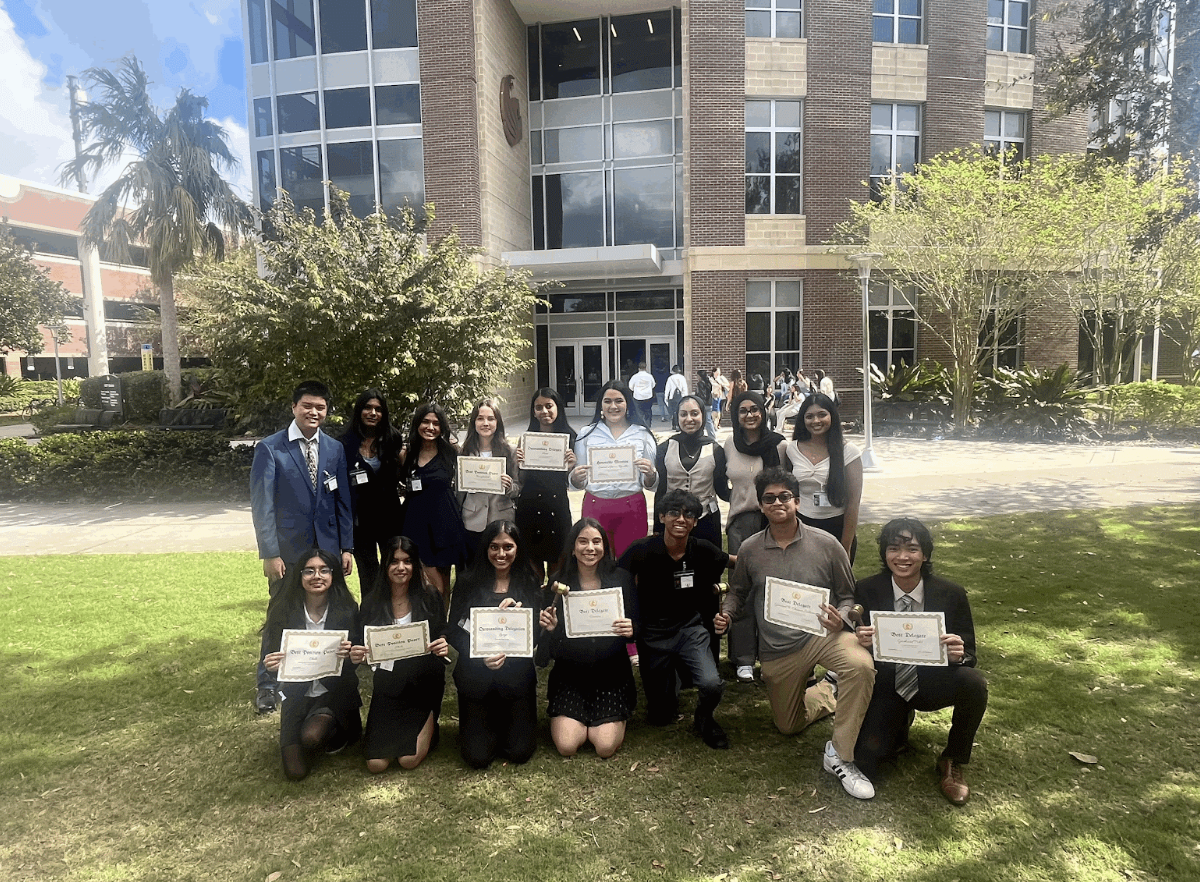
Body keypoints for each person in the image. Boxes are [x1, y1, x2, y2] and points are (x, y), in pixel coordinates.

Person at [716, 468, 877, 800]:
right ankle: (830, 691)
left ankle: (842, 756)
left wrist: (843, 618)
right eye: (769, 498)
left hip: (823, 635)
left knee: (860, 666)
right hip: (778, 650)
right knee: (788, 725)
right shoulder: (749, 549)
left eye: (784, 496)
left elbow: (849, 595)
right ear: (761, 505)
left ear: (797, 501)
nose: (777, 502)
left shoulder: (827, 544)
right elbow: (738, 592)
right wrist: (728, 614)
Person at [852, 518, 988, 804]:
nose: (902, 557)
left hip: (932, 680)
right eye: (894, 548)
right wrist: (860, 641)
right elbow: (852, 644)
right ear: (884, 554)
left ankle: (953, 760)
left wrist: (959, 654)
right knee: (868, 762)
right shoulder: (866, 590)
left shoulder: (951, 594)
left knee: (973, 683)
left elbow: (970, 651)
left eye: (912, 549)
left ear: (925, 554)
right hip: (888, 684)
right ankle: (898, 724)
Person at [250, 380, 354, 714]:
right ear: (294, 407)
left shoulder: (334, 449)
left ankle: (323, 669)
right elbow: (262, 504)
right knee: (280, 612)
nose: (314, 412)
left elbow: (342, 502)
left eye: (320, 407)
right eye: (307, 406)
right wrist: (269, 552)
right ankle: (267, 684)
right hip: (288, 552)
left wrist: (346, 547)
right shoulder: (270, 448)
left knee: (331, 610)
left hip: (326, 551)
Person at [619, 489, 734, 750]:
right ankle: (671, 680)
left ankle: (705, 718)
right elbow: (615, 576)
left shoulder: (702, 549)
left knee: (711, 684)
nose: (681, 519)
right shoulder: (642, 550)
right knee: (660, 716)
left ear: (695, 521)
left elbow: (737, 562)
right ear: (661, 517)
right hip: (652, 632)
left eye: (689, 514)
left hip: (689, 629)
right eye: (673, 513)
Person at [446, 520, 546, 769]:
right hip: (475, 677)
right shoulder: (468, 581)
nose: (501, 554)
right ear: (485, 548)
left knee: (519, 752)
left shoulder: (529, 583)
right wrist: (479, 655)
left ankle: (506, 722)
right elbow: (453, 630)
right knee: (477, 757)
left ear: (518, 549)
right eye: (494, 547)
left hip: (516, 678)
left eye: (508, 547)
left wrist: (526, 624)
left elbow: (533, 637)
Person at [539, 518, 638, 759]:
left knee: (604, 747)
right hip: (570, 675)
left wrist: (632, 629)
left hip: (611, 675)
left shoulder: (621, 579)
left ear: (605, 546)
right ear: (572, 548)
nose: (590, 548)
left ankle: (612, 717)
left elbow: (640, 622)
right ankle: (580, 720)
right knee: (567, 746)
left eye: (596, 541)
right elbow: (544, 653)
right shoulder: (557, 584)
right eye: (582, 542)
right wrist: (549, 630)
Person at [350, 536, 449, 773]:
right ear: (385, 565)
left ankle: (430, 726)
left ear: (415, 565)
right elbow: (360, 644)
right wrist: (358, 654)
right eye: (394, 562)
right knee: (375, 764)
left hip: (423, 685)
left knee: (408, 760)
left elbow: (441, 633)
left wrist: (443, 643)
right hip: (388, 687)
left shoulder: (429, 597)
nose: (401, 568)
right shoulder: (372, 603)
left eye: (407, 561)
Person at [261, 548, 361, 780]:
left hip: (333, 693)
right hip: (296, 695)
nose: (317, 576)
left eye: (324, 570)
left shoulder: (347, 610)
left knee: (311, 738)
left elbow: (355, 660)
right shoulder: (283, 612)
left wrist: (352, 655)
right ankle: (311, 728)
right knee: (295, 773)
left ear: (333, 575)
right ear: (300, 575)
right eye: (310, 571)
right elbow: (273, 657)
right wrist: (272, 665)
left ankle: (339, 732)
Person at [716, 391, 786, 683]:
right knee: (741, 588)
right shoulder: (729, 444)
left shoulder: (779, 445)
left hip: (775, 522)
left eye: (755, 409)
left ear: (763, 412)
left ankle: (772, 654)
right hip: (741, 524)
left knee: (773, 589)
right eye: (743, 410)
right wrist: (741, 499)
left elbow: (789, 484)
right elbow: (721, 483)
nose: (749, 415)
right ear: (736, 415)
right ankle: (743, 656)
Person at [653, 395, 728, 664]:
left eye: (694, 413)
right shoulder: (665, 447)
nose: (689, 419)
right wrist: (656, 527)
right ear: (677, 417)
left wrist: (747, 489)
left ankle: (709, 651)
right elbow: (660, 491)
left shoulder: (715, 449)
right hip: (673, 525)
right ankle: (675, 650)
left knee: (707, 585)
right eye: (683, 414)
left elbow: (722, 489)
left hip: (706, 523)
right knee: (672, 584)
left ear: (703, 416)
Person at [570, 380, 658, 558]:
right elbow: (579, 482)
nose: (613, 406)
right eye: (607, 401)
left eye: (619, 401)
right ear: (600, 405)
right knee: (596, 562)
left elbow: (650, 484)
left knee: (631, 564)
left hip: (632, 507)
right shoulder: (586, 434)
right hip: (595, 506)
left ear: (628, 403)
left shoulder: (642, 434)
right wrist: (575, 477)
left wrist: (650, 474)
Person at [398, 402, 469, 601]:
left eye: (436, 423)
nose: (430, 427)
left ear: (442, 427)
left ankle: (441, 627)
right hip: (415, 522)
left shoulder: (452, 452)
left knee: (442, 584)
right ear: (417, 424)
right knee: (418, 580)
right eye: (425, 422)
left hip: (444, 522)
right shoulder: (406, 454)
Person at [780, 393, 863, 561]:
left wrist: (845, 546)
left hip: (837, 526)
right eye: (809, 416)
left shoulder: (849, 451)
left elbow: (853, 503)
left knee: (835, 585)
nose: (816, 421)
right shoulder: (792, 450)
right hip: (802, 526)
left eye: (822, 414)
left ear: (832, 415)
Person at [340, 389, 403, 597]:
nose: (373, 413)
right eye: (368, 407)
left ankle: (393, 619)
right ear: (359, 410)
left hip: (390, 519)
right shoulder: (344, 443)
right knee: (368, 576)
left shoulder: (393, 439)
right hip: (360, 521)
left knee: (392, 571)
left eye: (378, 409)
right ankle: (369, 623)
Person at [514, 388, 578, 580]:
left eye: (549, 406)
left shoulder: (571, 439)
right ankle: (535, 608)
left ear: (558, 407)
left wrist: (571, 467)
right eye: (538, 407)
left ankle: (553, 609)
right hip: (529, 509)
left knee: (557, 570)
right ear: (533, 411)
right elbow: (521, 480)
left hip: (556, 509)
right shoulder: (526, 439)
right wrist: (519, 464)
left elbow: (574, 483)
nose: (544, 411)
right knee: (532, 571)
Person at [458, 398, 518, 558]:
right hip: (472, 520)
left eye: (491, 418)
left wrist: (510, 486)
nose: (486, 423)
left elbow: (518, 489)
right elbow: (459, 490)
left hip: (501, 520)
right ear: (474, 422)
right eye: (480, 418)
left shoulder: (509, 451)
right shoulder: (465, 452)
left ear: (498, 422)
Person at [629, 361, 656, 427]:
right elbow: (653, 385)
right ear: (645, 368)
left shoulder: (635, 376)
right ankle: (648, 424)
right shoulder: (649, 376)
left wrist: (635, 390)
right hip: (648, 396)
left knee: (639, 412)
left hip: (638, 396)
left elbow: (630, 386)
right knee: (648, 410)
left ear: (639, 368)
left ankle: (642, 424)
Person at [663, 365, 689, 430]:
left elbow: (667, 388)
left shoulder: (670, 378)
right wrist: (686, 397)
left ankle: (674, 425)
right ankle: (678, 425)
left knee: (674, 411)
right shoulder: (682, 378)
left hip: (672, 397)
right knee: (679, 411)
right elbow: (685, 388)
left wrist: (666, 397)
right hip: (680, 397)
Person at [695, 369, 716, 436]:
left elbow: (702, 395)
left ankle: (710, 436)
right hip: (709, 403)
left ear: (700, 376)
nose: (697, 377)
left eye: (697, 376)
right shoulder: (708, 383)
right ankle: (711, 435)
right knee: (708, 420)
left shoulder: (700, 383)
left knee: (705, 421)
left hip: (703, 404)